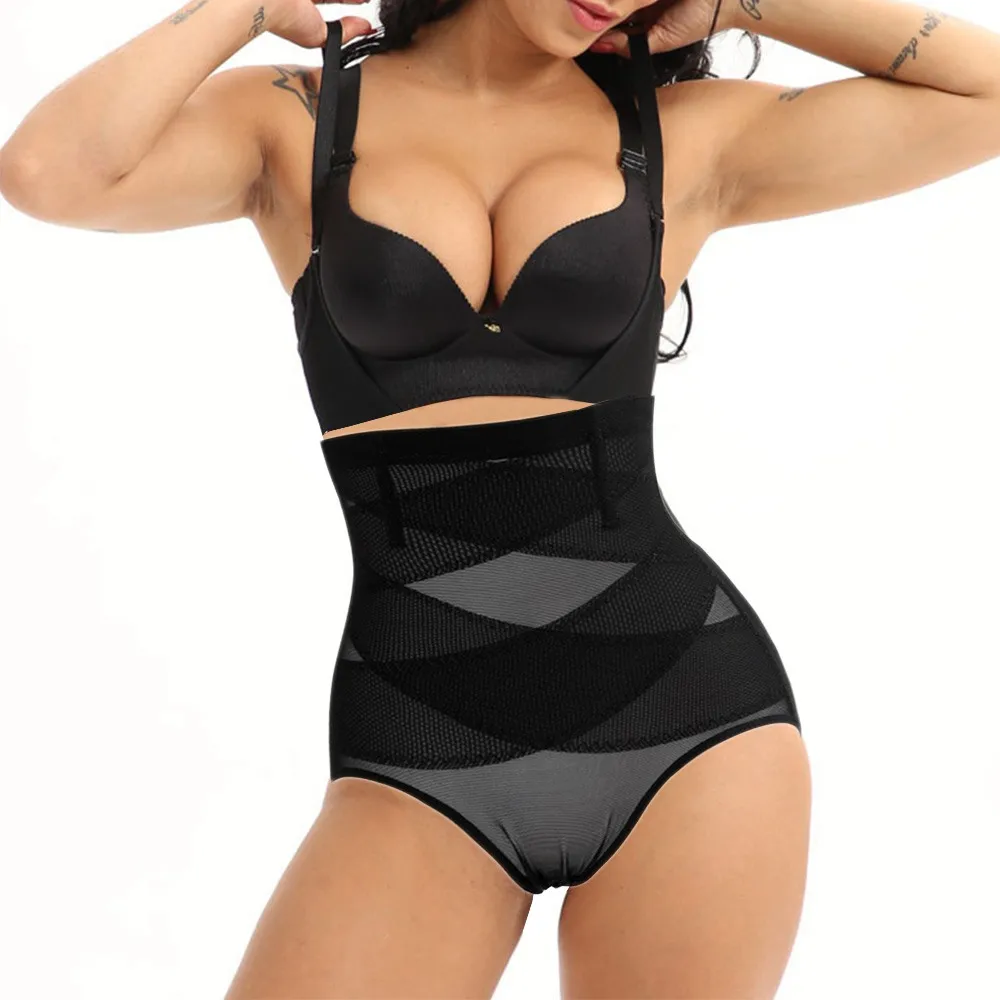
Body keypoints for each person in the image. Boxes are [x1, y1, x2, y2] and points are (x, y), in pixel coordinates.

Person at [2, 1, 999, 997]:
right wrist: (249, 7)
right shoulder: (301, 118)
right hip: (425, 742)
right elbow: (46, 171)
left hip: (689, 718)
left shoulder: (680, 135)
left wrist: (740, 0)